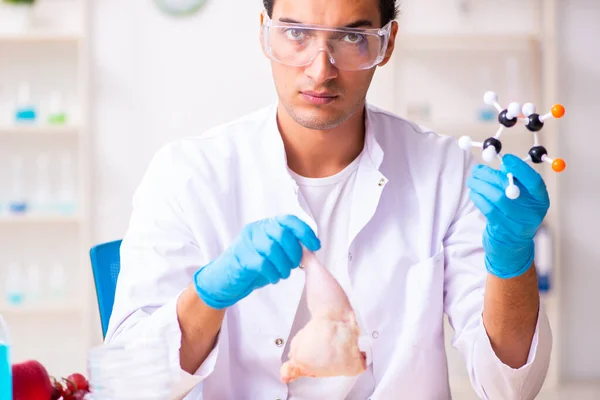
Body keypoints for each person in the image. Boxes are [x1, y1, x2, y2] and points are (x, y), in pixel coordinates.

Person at [105, 0, 552, 398]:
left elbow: (511, 387)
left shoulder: (446, 171)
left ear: (387, 43)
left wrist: (512, 260)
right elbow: (125, 385)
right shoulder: (188, 174)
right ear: (265, 32)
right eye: (296, 33)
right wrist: (207, 295)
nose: (320, 69)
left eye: (352, 36)